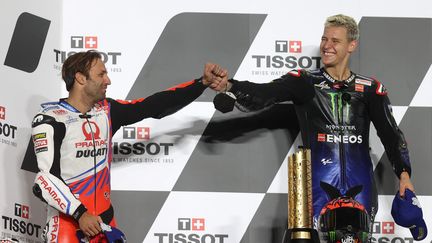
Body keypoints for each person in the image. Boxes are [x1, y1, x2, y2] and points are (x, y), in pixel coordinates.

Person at [211, 14, 415, 239]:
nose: (326, 46)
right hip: (316, 187)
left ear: (352, 45)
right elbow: (264, 94)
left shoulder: (370, 89)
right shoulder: (304, 81)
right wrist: (230, 85)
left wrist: (404, 174)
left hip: (361, 187)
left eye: (335, 41)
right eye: (324, 39)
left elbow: (390, 134)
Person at [31, 50, 227, 242]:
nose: (108, 81)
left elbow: (154, 105)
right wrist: (81, 214)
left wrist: (201, 84)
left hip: (105, 223)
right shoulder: (51, 119)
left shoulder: (107, 111)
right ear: (81, 78)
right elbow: (45, 180)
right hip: (69, 223)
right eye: (101, 74)